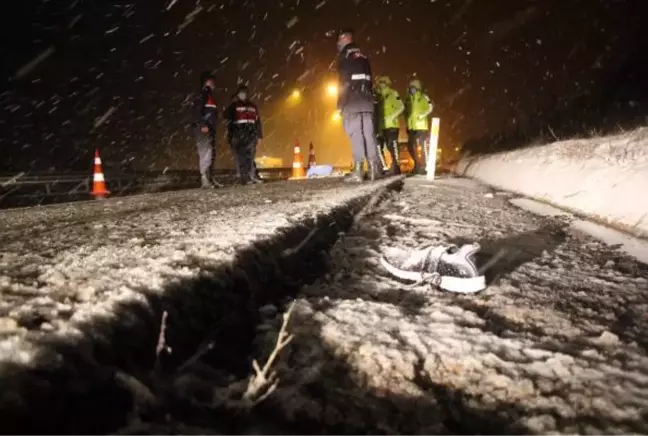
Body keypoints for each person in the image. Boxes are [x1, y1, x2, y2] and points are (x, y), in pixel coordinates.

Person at [335, 28, 382, 182]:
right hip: (367, 102)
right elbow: (369, 81)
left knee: (356, 135)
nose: (338, 43)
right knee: (368, 133)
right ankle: (374, 168)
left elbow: (345, 83)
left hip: (352, 102)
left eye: (339, 40)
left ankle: (358, 171)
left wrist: (340, 104)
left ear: (345, 39)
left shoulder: (345, 57)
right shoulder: (363, 56)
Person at [223, 84, 263, 184]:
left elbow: (258, 122)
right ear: (238, 95)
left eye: (244, 93)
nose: (243, 95)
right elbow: (226, 115)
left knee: (250, 158)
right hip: (239, 136)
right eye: (241, 94)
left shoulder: (253, 106)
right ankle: (245, 178)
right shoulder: (234, 106)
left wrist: (259, 136)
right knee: (241, 158)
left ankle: (251, 176)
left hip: (251, 136)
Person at [193, 71, 223, 188]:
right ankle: (204, 179)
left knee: (211, 154)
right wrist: (202, 125)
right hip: (203, 129)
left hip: (210, 129)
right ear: (207, 82)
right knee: (206, 153)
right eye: (212, 81)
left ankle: (210, 178)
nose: (214, 84)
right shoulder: (202, 94)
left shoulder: (210, 96)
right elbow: (196, 111)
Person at [375, 76, 405, 175]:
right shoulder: (377, 96)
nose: (381, 84)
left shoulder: (393, 94)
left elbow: (401, 107)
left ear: (387, 83)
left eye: (383, 82)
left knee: (392, 146)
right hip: (380, 126)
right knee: (378, 146)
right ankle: (383, 167)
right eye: (380, 82)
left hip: (391, 126)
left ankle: (396, 166)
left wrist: (392, 116)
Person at [404, 78, 434, 174]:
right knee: (410, 146)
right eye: (410, 87)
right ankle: (417, 165)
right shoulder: (408, 99)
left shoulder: (423, 97)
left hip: (421, 127)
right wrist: (407, 125)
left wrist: (423, 115)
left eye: (413, 86)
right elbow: (406, 113)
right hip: (412, 127)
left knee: (423, 146)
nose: (411, 88)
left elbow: (430, 107)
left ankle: (426, 166)